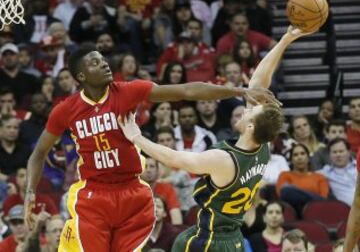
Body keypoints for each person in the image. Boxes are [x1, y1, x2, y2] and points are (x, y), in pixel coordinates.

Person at [24, 43, 277, 252]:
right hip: (94, 194)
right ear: (81, 76)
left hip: (132, 191)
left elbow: (186, 91)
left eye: (103, 59)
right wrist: (30, 191)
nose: (103, 64)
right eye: (94, 63)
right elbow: (38, 154)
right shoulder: (66, 110)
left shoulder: (127, 91)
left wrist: (237, 91)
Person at [118, 26, 310, 251]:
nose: (244, 109)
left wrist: (136, 137)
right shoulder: (263, 148)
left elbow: (175, 159)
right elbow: (258, 84)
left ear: (250, 126)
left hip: (210, 241)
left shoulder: (225, 160)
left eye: (249, 111)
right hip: (233, 239)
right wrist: (286, 39)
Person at [276, 144, 329, 215]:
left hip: (316, 211)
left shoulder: (319, 177)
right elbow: (282, 194)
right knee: (286, 190)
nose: (299, 157)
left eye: (302, 154)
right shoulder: (285, 175)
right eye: (295, 155)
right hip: (292, 211)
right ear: (291, 160)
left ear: (308, 158)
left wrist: (295, 191)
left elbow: (323, 199)